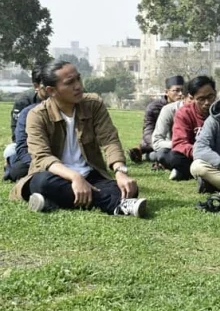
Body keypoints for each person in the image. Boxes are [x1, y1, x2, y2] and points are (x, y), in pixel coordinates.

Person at [8, 60, 146, 217]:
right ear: (51, 90)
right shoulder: (37, 115)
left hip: (91, 176)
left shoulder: (93, 104)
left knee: (128, 188)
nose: (78, 86)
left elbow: (109, 140)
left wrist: (121, 172)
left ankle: (52, 202)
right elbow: (42, 157)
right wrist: (75, 177)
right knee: (42, 183)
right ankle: (116, 205)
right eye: (70, 83)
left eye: (78, 79)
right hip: (55, 176)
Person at [162, 76, 216, 181]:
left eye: (210, 97)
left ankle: (189, 174)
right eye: (201, 99)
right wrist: (201, 152)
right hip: (193, 155)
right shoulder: (184, 113)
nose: (207, 103)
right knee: (174, 157)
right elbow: (179, 143)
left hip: (218, 153)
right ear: (192, 98)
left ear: (216, 93)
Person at [3, 67, 49, 182]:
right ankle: (10, 163)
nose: (50, 90)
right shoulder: (23, 103)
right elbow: (17, 136)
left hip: (51, 144)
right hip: (28, 144)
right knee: (11, 150)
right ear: (36, 86)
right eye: (46, 86)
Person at [128, 75, 184, 163]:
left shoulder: (185, 106)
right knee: (156, 154)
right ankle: (144, 152)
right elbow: (148, 131)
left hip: (177, 141)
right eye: (176, 90)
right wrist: (158, 144)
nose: (180, 94)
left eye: (183, 91)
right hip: (157, 141)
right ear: (166, 92)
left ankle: (142, 150)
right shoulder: (154, 107)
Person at [151, 92, 193, 169]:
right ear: (184, 97)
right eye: (191, 98)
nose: (195, 102)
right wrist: (180, 145)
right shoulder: (169, 110)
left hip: (196, 150)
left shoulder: (206, 111)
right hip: (173, 149)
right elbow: (156, 141)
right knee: (162, 154)